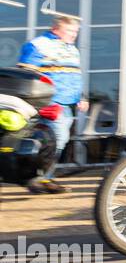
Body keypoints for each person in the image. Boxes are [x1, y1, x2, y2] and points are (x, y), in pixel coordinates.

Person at [18, 15, 87, 194]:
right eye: (70, 31)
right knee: (58, 139)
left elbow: (74, 75)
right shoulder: (39, 44)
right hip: (49, 102)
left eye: (76, 32)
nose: (74, 35)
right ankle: (37, 178)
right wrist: (39, 99)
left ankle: (44, 177)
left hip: (66, 104)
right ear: (56, 29)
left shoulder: (72, 49)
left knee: (56, 141)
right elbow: (27, 74)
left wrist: (81, 97)